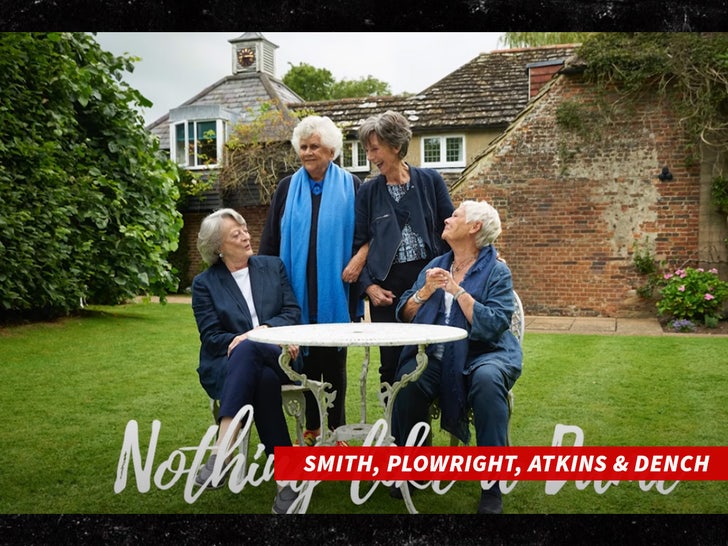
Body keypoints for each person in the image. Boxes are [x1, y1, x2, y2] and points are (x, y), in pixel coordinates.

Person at [392, 200, 523, 514]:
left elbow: (493, 324)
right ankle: (415, 467)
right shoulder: (436, 263)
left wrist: (456, 290)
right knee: (407, 380)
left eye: (456, 215)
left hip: (485, 353)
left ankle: (492, 485)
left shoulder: (497, 271)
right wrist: (423, 292)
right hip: (437, 356)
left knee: (489, 381)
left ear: (475, 227)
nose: (448, 219)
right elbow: (405, 313)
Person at [259, 115, 367, 446]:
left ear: (331, 150)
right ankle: (310, 430)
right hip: (296, 293)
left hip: (338, 292)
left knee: (334, 365)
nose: (307, 152)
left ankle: (336, 432)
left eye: (314, 146)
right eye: (303, 146)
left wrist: (359, 258)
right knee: (303, 365)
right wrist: (270, 291)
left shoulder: (353, 186)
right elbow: (270, 243)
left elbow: (368, 236)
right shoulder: (286, 188)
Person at [191, 208, 302, 514]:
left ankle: (221, 452)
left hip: (280, 354)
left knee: (251, 346)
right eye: (235, 233)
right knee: (262, 380)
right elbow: (212, 337)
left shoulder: (272, 266)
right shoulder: (205, 283)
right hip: (228, 364)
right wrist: (244, 341)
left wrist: (262, 332)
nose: (245, 235)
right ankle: (286, 483)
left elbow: (292, 312)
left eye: (244, 229)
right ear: (218, 247)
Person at [354, 110, 454, 387]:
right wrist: (368, 287)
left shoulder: (430, 181)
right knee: (391, 365)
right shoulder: (368, 191)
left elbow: (451, 228)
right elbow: (358, 242)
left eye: (375, 149)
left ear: (396, 146)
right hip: (387, 288)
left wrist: (483, 254)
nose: (370, 157)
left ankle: (421, 429)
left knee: (431, 357)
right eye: (367, 150)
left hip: (428, 280)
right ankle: (393, 429)